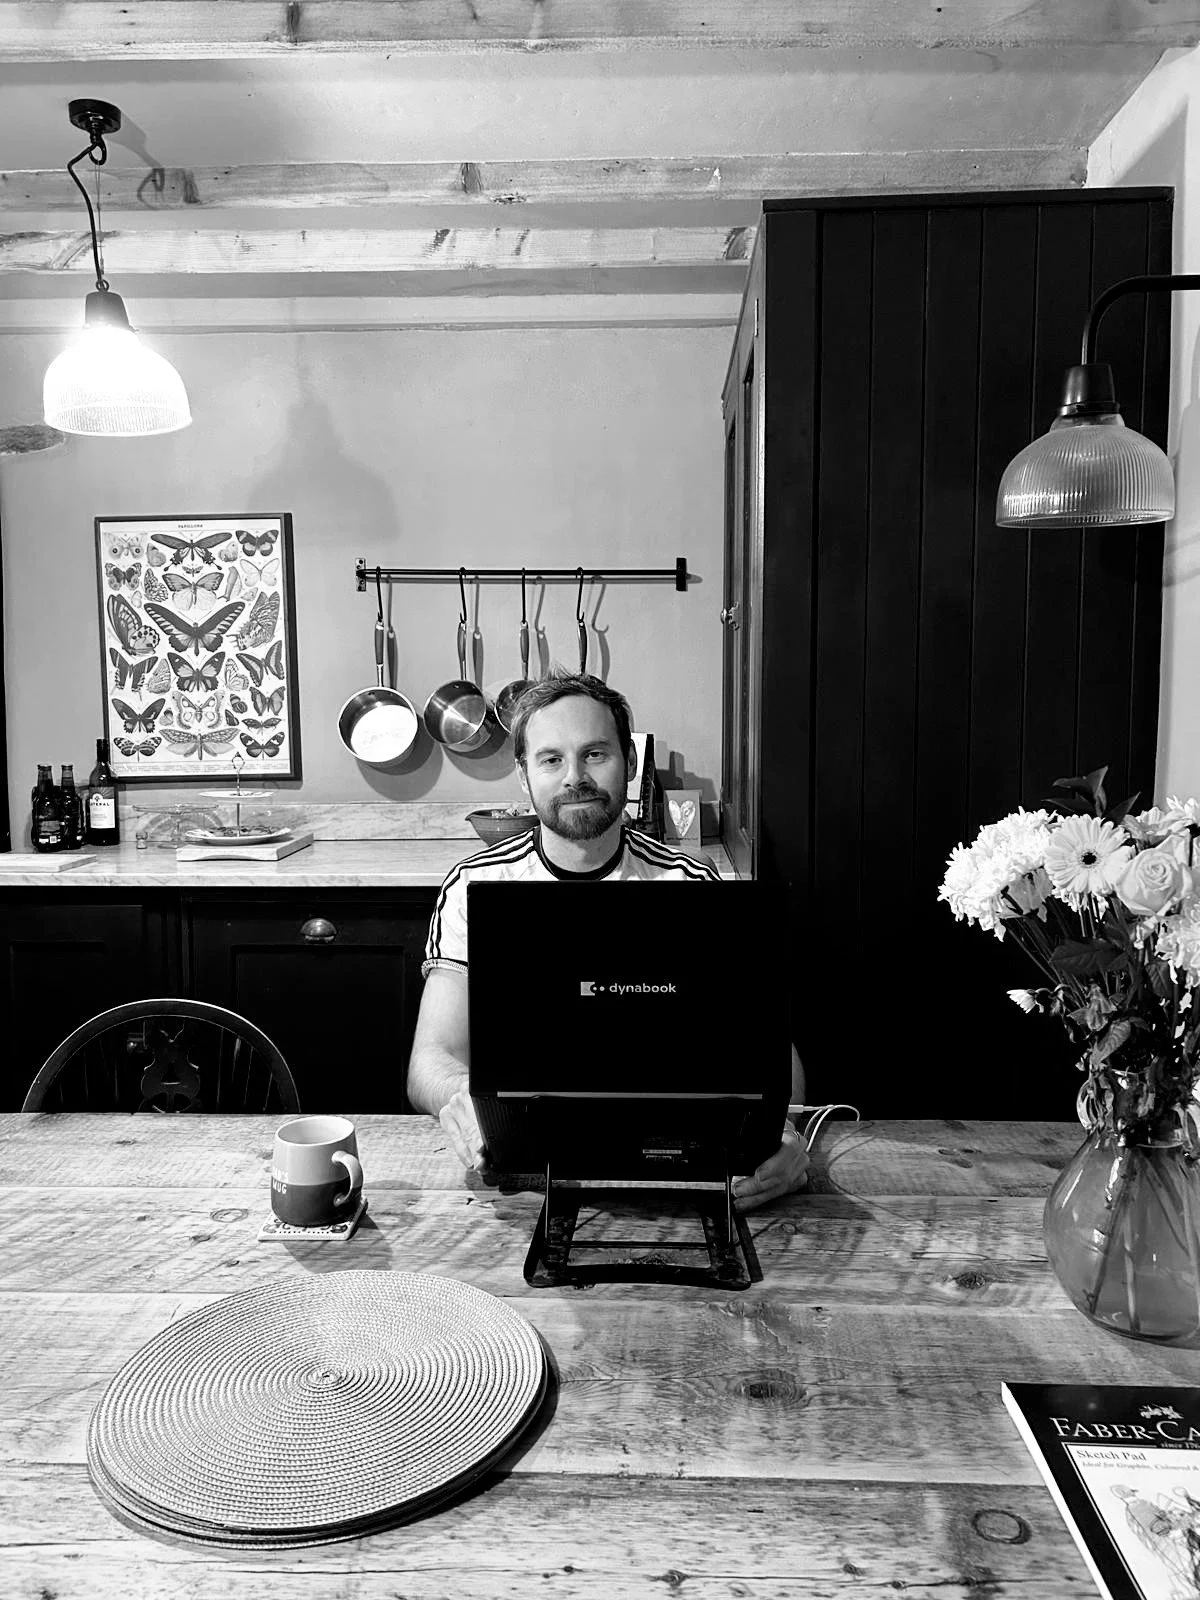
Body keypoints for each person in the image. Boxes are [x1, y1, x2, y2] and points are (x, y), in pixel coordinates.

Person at [406, 672, 811, 1210]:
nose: (575, 777)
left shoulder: (691, 886)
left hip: (679, 1172)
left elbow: (776, 1064)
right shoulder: (474, 887)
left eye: (595, 754)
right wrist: (458, 1097)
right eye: (551, 759)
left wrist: (784, 1136)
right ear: (524, 776)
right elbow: (430, 1060)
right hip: (525, 1178)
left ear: (630, 764)